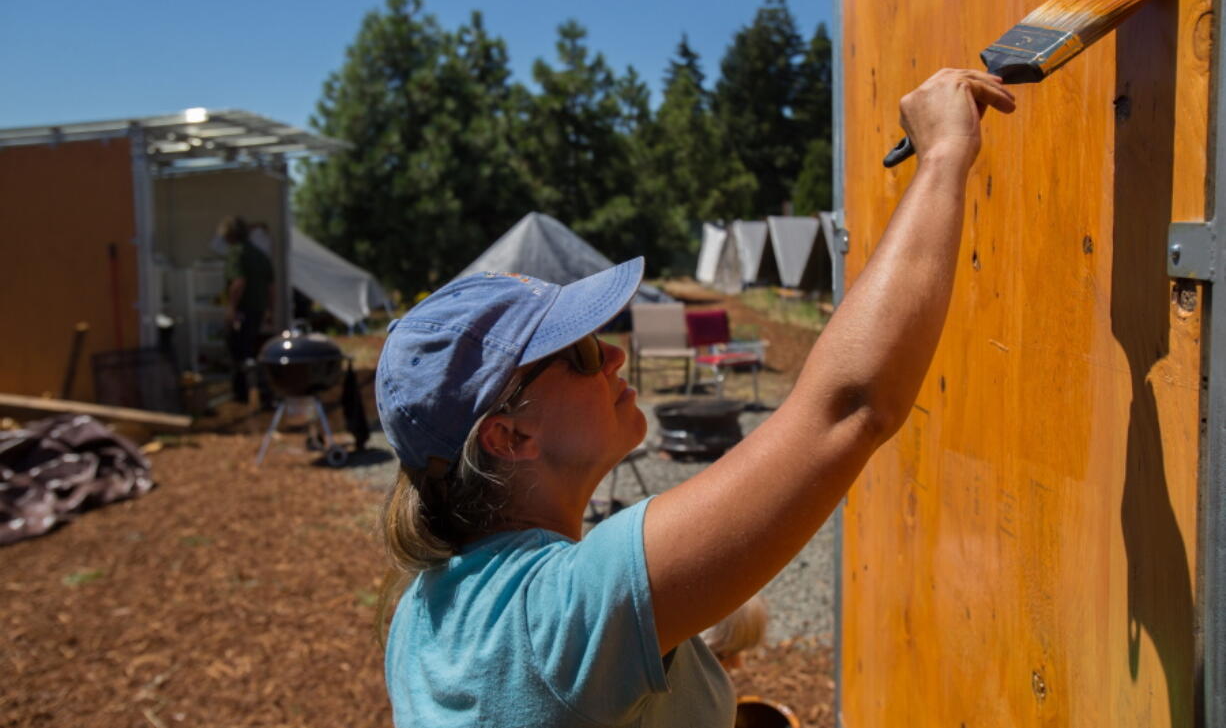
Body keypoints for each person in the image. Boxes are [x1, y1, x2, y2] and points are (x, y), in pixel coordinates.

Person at [374, 69, 1015, 727]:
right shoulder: (562, 615)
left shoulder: (423, 613)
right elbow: (851, 406)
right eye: (584, 353)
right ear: (507, 436)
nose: (616, 356)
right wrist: (941, 157)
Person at [216, 215, 274, 405]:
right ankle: (262, 392)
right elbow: (271, 287)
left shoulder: (237, 253)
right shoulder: (259, 254)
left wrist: (231, 308)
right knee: (251, 352)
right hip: (257, 311)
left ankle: (242, 395)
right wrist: (268, 311)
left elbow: (239, 282)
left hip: (243, 312)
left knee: (237, 354)